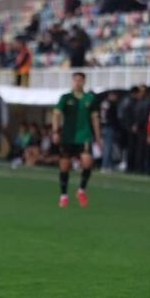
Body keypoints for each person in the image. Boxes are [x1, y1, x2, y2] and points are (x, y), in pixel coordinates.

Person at [52, 72, 100, 208]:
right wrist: (55, 131)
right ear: (72, 82)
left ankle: (81, 190)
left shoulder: (90, 98)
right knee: (64, 166)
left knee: (87, 162)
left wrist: (98, 137)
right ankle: (64, 195)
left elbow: (95, 119)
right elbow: (56, 114)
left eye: (80, 80)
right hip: (68, 136)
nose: (78, 83)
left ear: (84, 82)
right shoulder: (66, 98)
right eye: (75, 80)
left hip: (84, 135)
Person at [99, 91, 120, 172]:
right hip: (108, 127)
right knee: (108, 147)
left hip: (104, 126)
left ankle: (109, 165)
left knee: (108, 147)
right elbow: (111, 117)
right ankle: (105, 166)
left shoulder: (104, 103)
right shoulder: (110, 104)